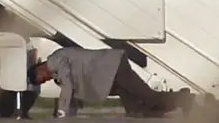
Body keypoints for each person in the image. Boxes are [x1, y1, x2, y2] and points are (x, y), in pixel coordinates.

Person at [28, 47, 194, 118]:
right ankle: (175, 106)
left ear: (39, 70)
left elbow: (68, 87)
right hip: (108, 75)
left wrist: (61, 114)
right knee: (136, 111)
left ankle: (183, 99)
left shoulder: (56, 60)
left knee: (147, 96)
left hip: (112, 66)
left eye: (42, 79)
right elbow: (70, 92)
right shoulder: (57, 73)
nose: (46, 80)